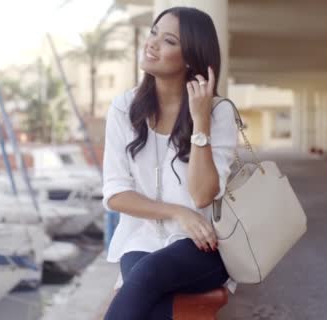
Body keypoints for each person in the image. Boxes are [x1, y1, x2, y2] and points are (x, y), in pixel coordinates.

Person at [101, 6, 238, 320]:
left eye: (168, 41)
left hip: (203, 246)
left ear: (190, 57)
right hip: (141, 239)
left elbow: (203, 195)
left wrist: (200, 121)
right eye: (153, 33)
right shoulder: (124, 108)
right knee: (150, 295)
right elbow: (116, 193)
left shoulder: (218, 113)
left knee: (146, 276)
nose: (152, 43)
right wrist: (178, 212)